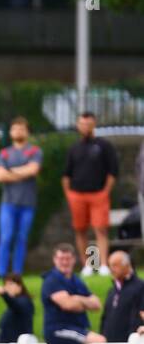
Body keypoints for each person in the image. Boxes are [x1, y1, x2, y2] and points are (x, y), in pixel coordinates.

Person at [64, 111, 119, 276]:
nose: (85, 127)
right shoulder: (74, 148)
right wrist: (69, 194)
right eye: (82, 123)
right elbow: (66, 175)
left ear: (94, 124)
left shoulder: (104, 146)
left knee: (100, 229)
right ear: (78, 125)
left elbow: (113, 171)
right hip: (77, 195)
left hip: (98, 194)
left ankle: (102, 265)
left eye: (88, 123)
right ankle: (88, 265)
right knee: (81, 230)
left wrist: (105, 191)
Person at [0, 116, 42, 276]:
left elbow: (33, 170)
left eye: (21, 129)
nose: (18, 132)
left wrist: (11, 171)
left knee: (21, 239)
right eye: (15, 129)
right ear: (10, 132)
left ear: (27, 132)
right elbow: (0, 175)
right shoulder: (5, 153)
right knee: (6, 238)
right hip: (8, 203)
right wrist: (22, 172)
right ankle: (1, 273)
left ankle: (17, 273)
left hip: (27, 203)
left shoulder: (34, 151)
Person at [100, 250, 144, 344]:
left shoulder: (140, 287)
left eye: (115, 265)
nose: (112, 269)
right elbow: (105, 317)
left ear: (127, 265)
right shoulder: (112, 290)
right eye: (110, 265)